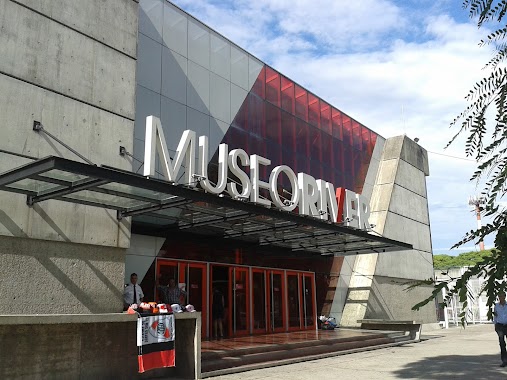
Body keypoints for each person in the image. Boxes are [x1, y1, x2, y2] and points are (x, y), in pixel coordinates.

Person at [494, 291, 507, 367]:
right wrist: (495, 324)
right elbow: (495, 316)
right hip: (500, 326)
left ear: (505, 296)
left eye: (502, 296)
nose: (500, 298)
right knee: (502, 343)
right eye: (499, 296)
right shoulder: (496, 306)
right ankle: (504, 360)